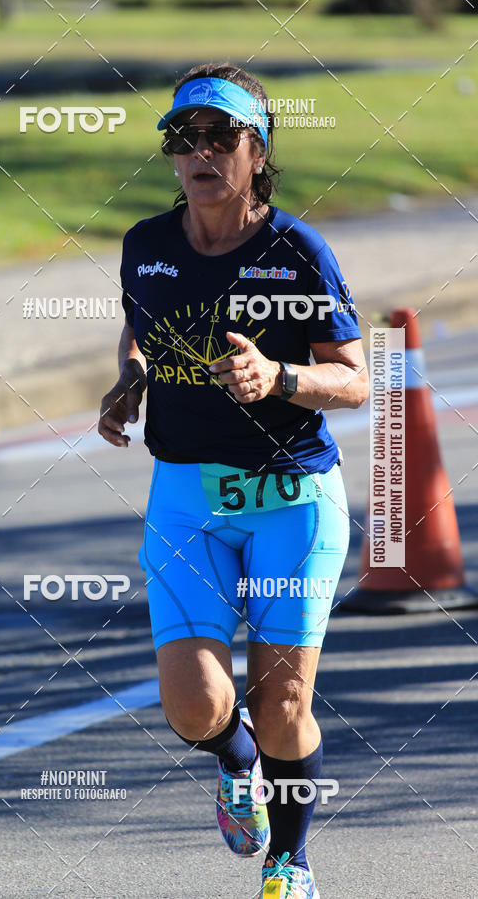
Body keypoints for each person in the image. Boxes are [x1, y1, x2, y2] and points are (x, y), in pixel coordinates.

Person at [98, 62, 369, 899]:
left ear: (258, 151)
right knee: (194, 708)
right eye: (186, 138)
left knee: (284, 699)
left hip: (291, 498)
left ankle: (290, 860)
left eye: (223, 136)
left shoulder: (297, 251)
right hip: (186, 495)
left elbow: (356, 379)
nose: (202, 152)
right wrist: (131, 378)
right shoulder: (146, 246)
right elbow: (139, 329)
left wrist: (279, 378)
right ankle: (234, 757)